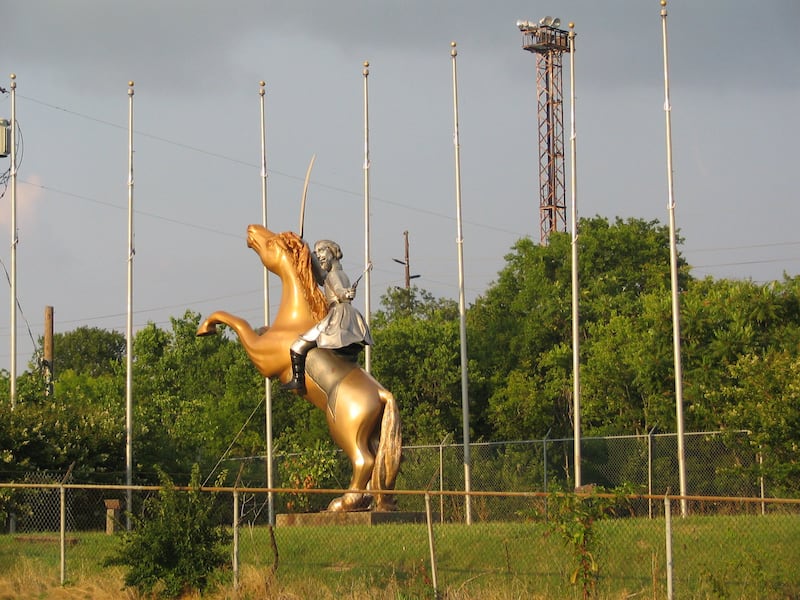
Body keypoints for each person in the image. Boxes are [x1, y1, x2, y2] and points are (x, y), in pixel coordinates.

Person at [281, 239, 372, 394]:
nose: (320, 256)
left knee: (297, 346)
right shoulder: (336, 273)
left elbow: (338, 289)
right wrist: (306, 251)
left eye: (322, 250)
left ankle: (298, 381)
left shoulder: (334, 275)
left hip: (337, 316)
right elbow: (321, 275)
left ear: (333, 252)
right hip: (347, 315)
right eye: (317, 253)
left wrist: (345, 293)